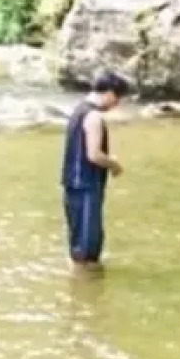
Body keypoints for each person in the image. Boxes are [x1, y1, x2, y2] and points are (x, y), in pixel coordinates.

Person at [62, 71, 130, 274]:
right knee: (88, 250)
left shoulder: (78, 110)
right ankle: (86, 296)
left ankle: (80, 295)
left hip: (72, 183)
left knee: (78, 244)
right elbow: (94, 154)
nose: (117, 104)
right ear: (109, 93)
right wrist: (114, 165)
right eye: (118, 98)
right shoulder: (93, 117)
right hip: (86, 185)